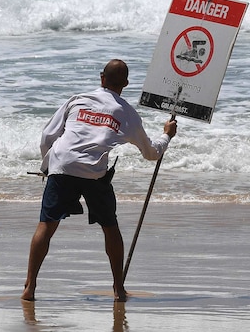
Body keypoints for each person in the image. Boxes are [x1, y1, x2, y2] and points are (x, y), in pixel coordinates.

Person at [21, 59, 177, 303]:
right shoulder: (127, 113)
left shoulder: (77, 99)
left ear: (101, 77)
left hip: (62, 164)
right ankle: (118, 289)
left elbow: (47, 137)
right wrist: (166, 135)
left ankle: (30, 288)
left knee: (46, 226)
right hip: (94, 172)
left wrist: (48, 166)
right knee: (110, 227)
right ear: (125, 84)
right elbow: (151, 153)